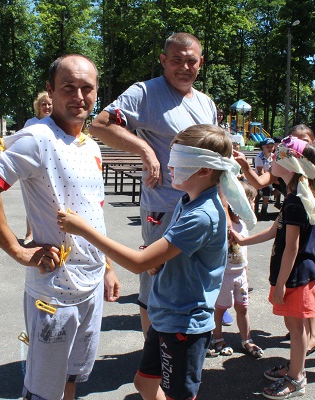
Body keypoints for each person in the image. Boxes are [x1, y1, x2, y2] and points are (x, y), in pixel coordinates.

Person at [58, 124, 254, 400]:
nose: (169, 166)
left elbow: (138, 263)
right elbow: (172, 250)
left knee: (177, 395)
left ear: (204, 170)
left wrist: (84, 230)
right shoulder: (188, 201)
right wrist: (160, 261)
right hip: (166, 315)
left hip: (184, 324)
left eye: (178, 161)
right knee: (145, 383)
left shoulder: (202, 215)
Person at [0, 54, 120, 400]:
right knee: (42, 391)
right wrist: (18, 251)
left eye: (87, 88)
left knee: (72, 378)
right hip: (54, 294)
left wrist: (108, 267)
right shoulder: (37, 138)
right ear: (50, 90)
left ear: (97, 93)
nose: (78, 96)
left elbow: (94, 214)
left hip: (92, 285)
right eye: (69, 87)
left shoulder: (91, 147)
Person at [89, 32, 231, 336]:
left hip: (203, 208)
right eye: (176, 60)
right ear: (163, 60)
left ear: (201, 63)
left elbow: (216, 161)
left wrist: (225, 207)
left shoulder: (205, 103)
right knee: (155, 279)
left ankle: (183, 344)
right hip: (164, 207)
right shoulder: (146, 93)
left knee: (193, 278)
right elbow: (99, 125)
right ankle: (154, 353)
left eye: (191, 61)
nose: (184, 67)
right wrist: (145, 149)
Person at [230, 136, 315, 399]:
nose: (273, 158)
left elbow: (292, 248)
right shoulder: (293, 196)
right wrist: (243, 239)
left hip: (295, 276)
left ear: (291, 165)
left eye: (278, 155)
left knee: (296, 330)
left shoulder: (296, 200)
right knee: (294, 325)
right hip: (292, 274)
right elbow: (274, 231)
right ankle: (295, 368)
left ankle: (296, 378)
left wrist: (281, 284)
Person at [207, 180, 264, 359]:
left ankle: (247, 340)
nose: (253, 205)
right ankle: (217, 338)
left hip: (240, 274)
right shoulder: (225, 224)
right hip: (225, 275)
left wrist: (246, 271)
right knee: (220, 309)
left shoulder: (243, 225)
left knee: (243, 308)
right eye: (250, 201)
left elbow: (244, 250)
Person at [22, 91, 53, 244]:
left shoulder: (56, 122)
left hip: (50, 166)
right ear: (38, 107)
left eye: (49, 104)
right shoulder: (31, 123)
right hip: (31, 166)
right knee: (31, 201)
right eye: (43, 104)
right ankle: (29, 234)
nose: (47, 107)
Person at [254, 138, 276, 218]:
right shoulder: (259, 157)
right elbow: (261, 172)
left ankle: (270, 204)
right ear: (263, 147)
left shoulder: (274, 156)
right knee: (268, 187)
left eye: (272, 146)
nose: (270, 148)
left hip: (272, 176)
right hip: (261, 177)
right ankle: (264, 207)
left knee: (283, 185)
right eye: (268, 147)